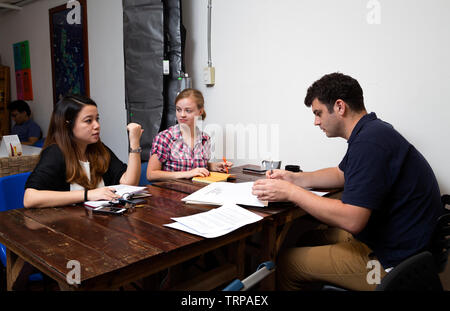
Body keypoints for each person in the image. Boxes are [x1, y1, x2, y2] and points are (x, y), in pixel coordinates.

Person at [252, 72, 442, 290]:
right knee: (309, 236)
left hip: (394, 265)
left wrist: (291, 192)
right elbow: (341, 173)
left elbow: (353, 219)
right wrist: (294, 179)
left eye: (318, 113)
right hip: (401, 242)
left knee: (286, 263)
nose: (316, 122)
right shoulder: (373, 131)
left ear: (340, 107)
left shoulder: (370, 142)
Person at [24, 95, 143, 208]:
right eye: (88, 121)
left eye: (97, 119)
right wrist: (88, 195)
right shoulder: (55, 153)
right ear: (68, 124)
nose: (97, 125)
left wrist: (134, 143)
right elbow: (30, 198)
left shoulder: (98, 149)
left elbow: (129, 183)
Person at [147, 88, 232, 180]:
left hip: (196, 190)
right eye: (178, 110)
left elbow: (193, 164)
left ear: (200, 112)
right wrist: (187, 174)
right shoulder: (164, 138)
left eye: (188, 110)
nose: (182, 114)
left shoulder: (205, 138)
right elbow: (151, 174)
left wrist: (213, 166)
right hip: (172, 191)